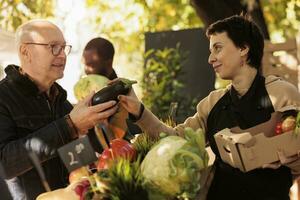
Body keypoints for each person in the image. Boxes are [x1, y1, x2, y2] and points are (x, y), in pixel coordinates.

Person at [118, 15, 300, 200]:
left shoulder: (281, 93)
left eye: (218, 49)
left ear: (243, 48)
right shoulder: (213, 102)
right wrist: (139, 112)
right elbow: (175, 140)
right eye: (210, 51)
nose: (210, 59)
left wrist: (292, 160)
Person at [0, 20, 118, 200]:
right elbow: (4, 164)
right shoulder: (4, 97)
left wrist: (98, 157)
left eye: (64, 47)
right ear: (25, 52)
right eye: (53, 47)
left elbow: (78, 162)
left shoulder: (62, 102)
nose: (62, 55)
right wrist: (70, 125)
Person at [82, 37, 142, 138]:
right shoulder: (89, 91)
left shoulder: (123, 95)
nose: (86, 70)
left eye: (91, 65)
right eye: (84, 65)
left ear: (108, 63)